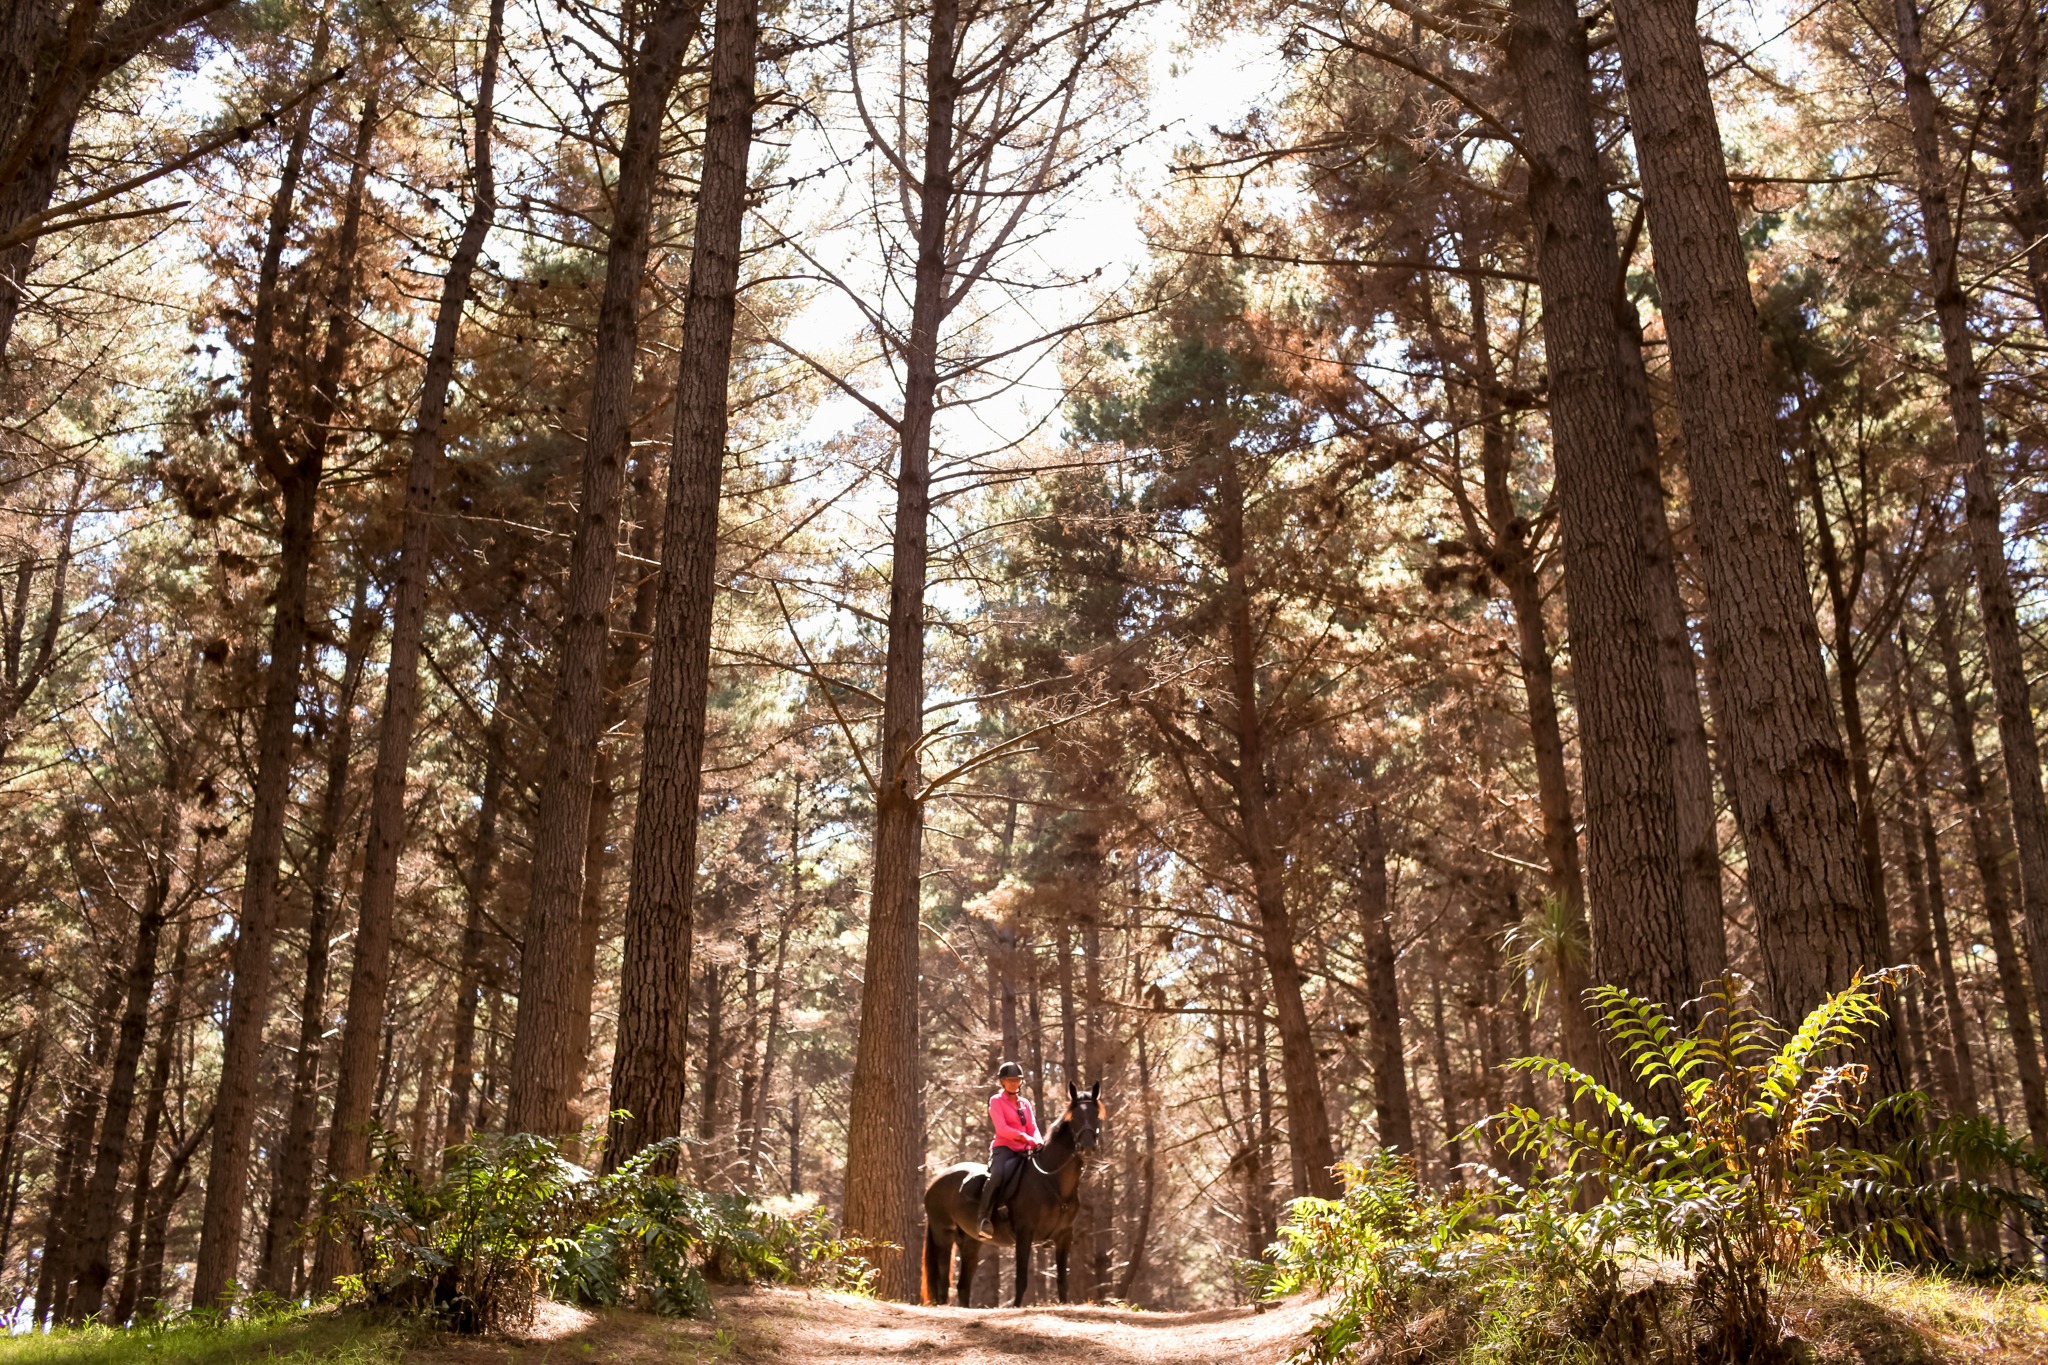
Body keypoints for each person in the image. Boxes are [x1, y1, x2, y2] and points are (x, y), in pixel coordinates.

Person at [975, 1060, 1041, 1240]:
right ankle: (984, 1219)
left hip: (1025, 1149)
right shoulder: (996, 1101)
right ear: (1002, 1082)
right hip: (1004, 1149)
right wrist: (1025, 1138)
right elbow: (1002, 1129)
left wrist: (1039, 1141)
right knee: (996, 1176)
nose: (1014, 1083)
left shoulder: (1025, 1103)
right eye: (1010, 1080)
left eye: (1017, 1080)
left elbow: (1033, 1126)